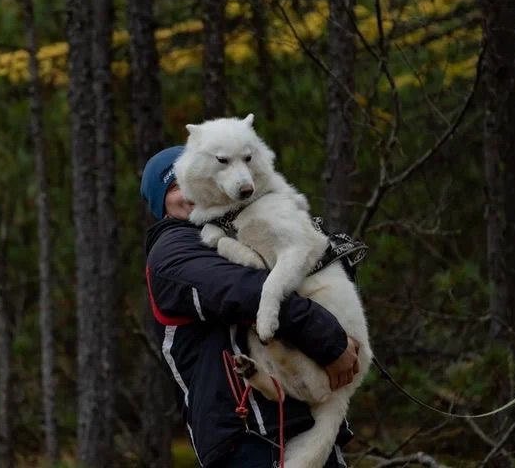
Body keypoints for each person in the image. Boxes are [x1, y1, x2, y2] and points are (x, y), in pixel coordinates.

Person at [140, 146, 360, 468]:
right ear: (160, 202)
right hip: (250, 436)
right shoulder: (173, 250)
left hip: (297, 419)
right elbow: (243, 292)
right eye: (174, 188)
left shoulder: (236, 225)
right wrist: (332, 342)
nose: (186, 193)